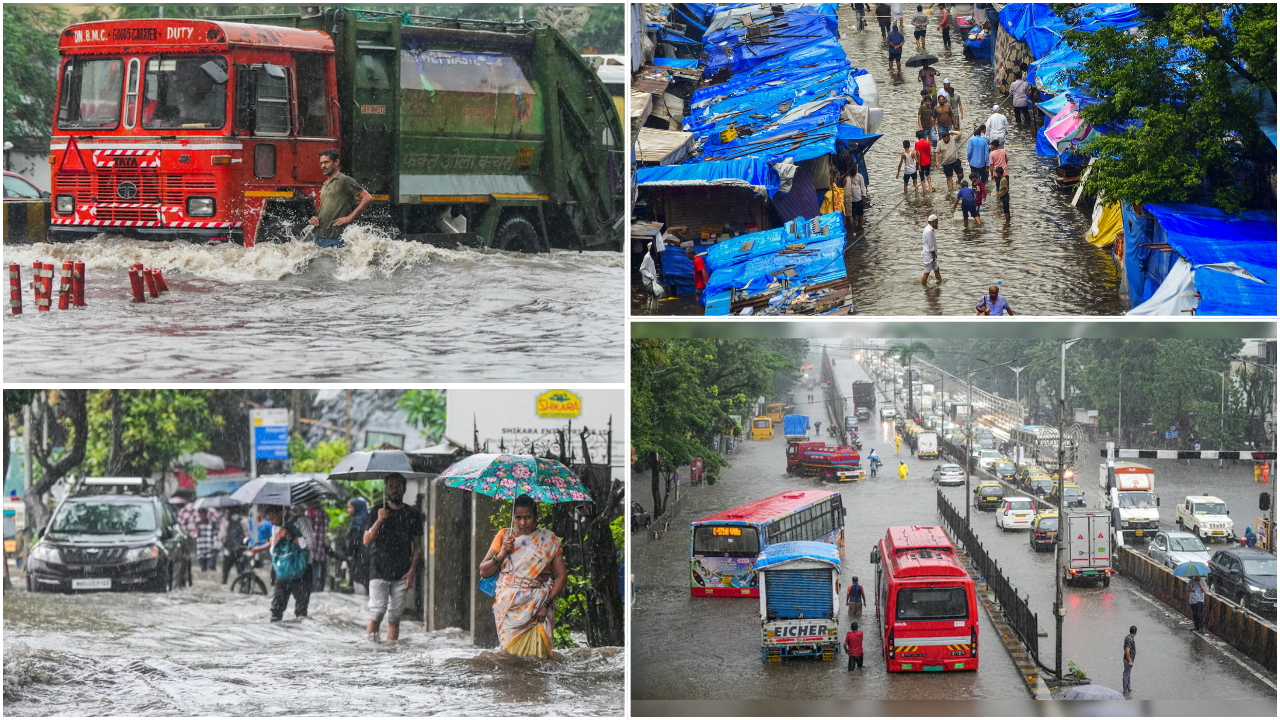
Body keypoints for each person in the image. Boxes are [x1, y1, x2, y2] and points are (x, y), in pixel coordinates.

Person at [479, 494, 569, 658]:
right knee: (510, 660)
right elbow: (484, 571)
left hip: (537, 608)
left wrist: (545, 605)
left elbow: (562, 576)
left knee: (538, 662)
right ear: (512, 517)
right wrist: (501, 554)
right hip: (509, 608)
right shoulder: (504, 536)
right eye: (518, 517)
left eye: (527, 517)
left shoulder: (549, 540)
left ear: (535, 517)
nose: (522, 523)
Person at [363, 474, 424, 642]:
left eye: (398, 487)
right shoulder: (376, 511)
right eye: (391, 486)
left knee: (395, 617)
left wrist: (412, 570)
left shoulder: (413, 514)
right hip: (378, 570)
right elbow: (367, 540)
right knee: (377, 612)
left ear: (404, 489)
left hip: (402, 572)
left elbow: (418, 546)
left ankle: (391, 652)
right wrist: (379, 521)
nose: (394, 490)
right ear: (386, 489)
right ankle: (370, 649)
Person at [309, 149, 373, 248]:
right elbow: (325, 207)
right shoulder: (325, 184)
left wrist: (349, 217)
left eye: (326, 162)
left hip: (334, 237)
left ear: (336, 162)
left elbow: (367, 198)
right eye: (321, 163)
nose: (323, 166)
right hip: (319, 235)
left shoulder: (345, 180)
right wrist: (314, 217)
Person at [263, 505, 314, 622]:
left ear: (281, 512)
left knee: (301, 611)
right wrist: (276, 541)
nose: (271, 522)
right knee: (276, 609)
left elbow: (311, 545)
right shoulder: (275, 527)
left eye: (273, 518)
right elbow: (273, 552)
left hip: (302, 570)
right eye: (269, 519)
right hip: (282, 570)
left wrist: (291, 537)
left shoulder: (301, 521)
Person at [345, 497, 372, 595]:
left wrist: (350, 554)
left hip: (359, 558)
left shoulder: (356, 523)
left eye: (350, 507)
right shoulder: (368, 520)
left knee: (360, 582)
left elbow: (354, 541)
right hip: (368, 557)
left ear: (357, 508)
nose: (349, 510)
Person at [219, 509, 251, 585]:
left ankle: (226, 583)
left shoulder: (226, 521)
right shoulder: (243, 520)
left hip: (232, 550)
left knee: (226, 572)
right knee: (240, 572)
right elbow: (248, 535)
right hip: (238, 550)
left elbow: (222, 536)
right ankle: (242, 584)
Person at [305, 501, 330, 592]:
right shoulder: (325, 514)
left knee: (308, 569)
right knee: (317, 568)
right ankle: (316, 589)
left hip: (309, 546)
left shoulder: (309, 513)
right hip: (320, 546)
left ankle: (309, 589)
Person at [195, 508, 219, 573]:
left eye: (202, 514)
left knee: (211, 568)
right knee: (203, 570)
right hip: (200, 550)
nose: (201, 515)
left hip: (210, 549)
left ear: (205, 514)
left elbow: (215, 535)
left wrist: (216, 545)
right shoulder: (196, 524)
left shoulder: (212, 524)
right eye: (199, 514)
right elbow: (194, 535)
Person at [844, 165, 867, 234]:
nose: (854, 171)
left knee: (860, 213)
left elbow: (863, 187)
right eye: (853, 170)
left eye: (855, 170)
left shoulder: (859, 176)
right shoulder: (847, 176)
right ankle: (853, 228)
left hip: (858, 198)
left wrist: (864, 197)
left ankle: (859, 225)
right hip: (851, 200)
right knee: (852, 214)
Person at [921, 214, 942, 285]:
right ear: (933, 222)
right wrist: (933, 254)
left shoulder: (928, 229)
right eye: (936, 222)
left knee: (937, 269)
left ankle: (939, 284)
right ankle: (923, 287)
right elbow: (930, 245)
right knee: (926, 272)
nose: (937, 223)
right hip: (929, 254)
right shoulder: (929, 231)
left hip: (931, 254)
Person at [1122, 625, 1137, 695]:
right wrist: (1130, 660)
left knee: (1128, 674)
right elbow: (1127, 650)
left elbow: (1124, 647)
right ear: (1135, 632)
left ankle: (1128, 688)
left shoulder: (1127, 637)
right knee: (1126, 674)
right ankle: (1125, 690)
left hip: (1126, 658)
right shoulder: (1131, 639)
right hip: (1128, 660)